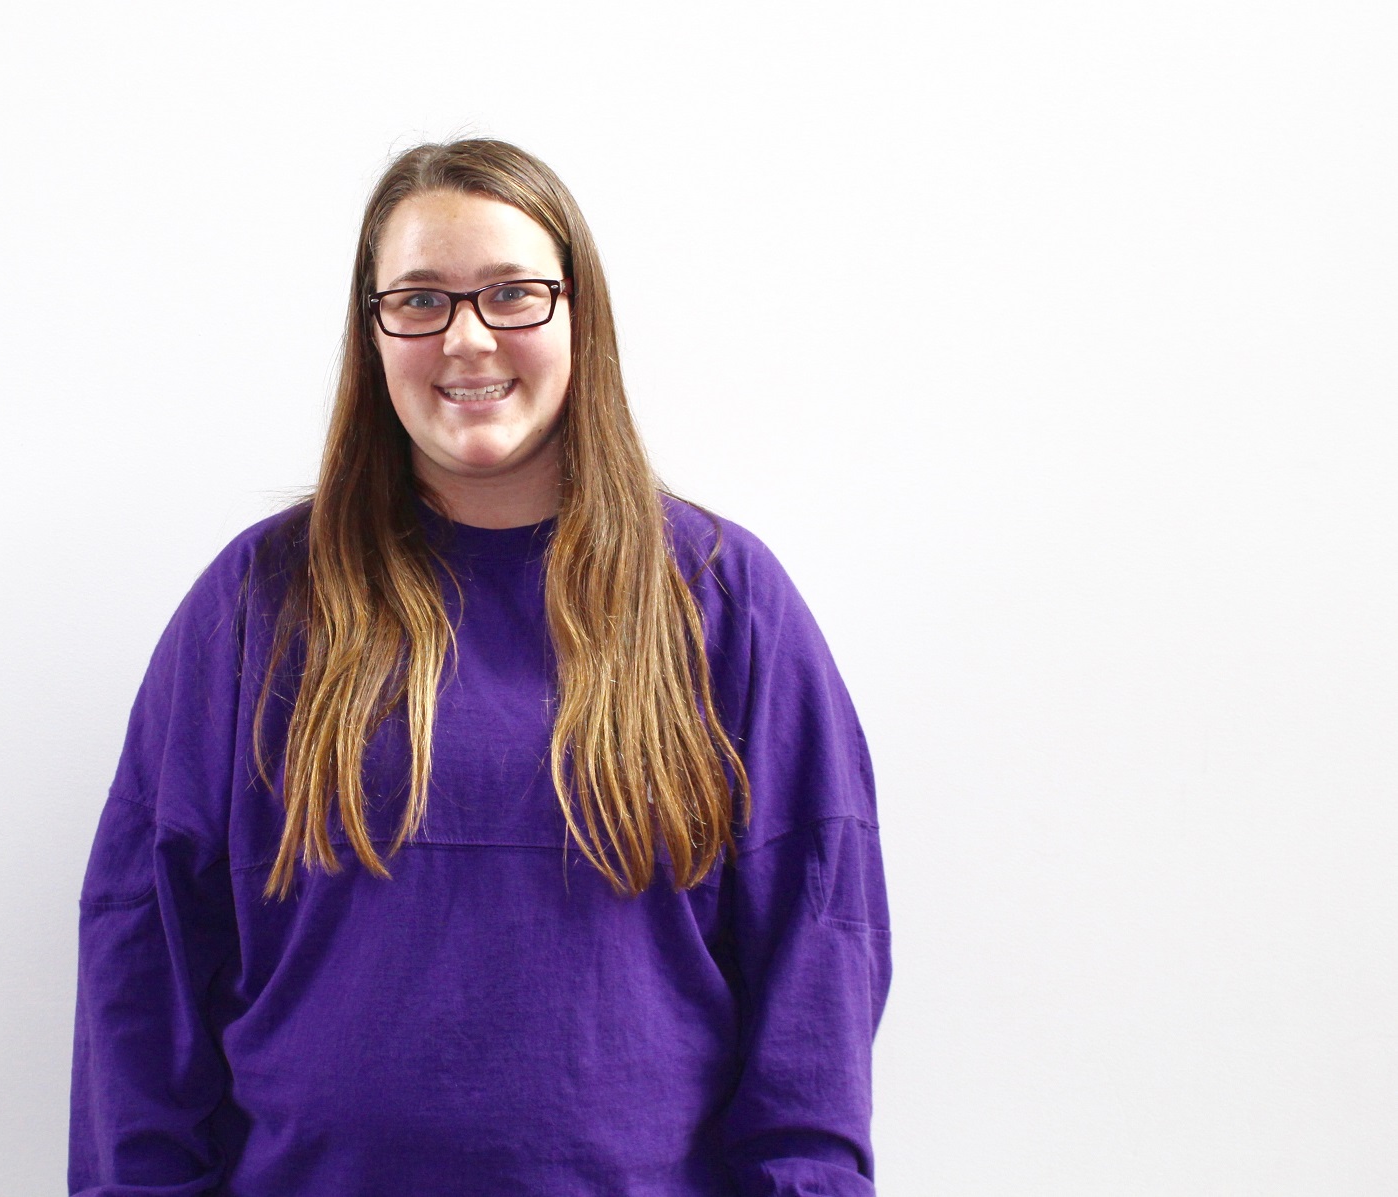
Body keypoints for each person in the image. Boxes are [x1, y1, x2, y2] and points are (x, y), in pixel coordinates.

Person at [67, 138, 890, 1197]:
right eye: (419, 300)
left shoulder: (721, 602)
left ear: (578, 313)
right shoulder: (258, 603)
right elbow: (144, 958)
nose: (465, 337)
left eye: (511, 293)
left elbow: (817, 960)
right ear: (372, 332)